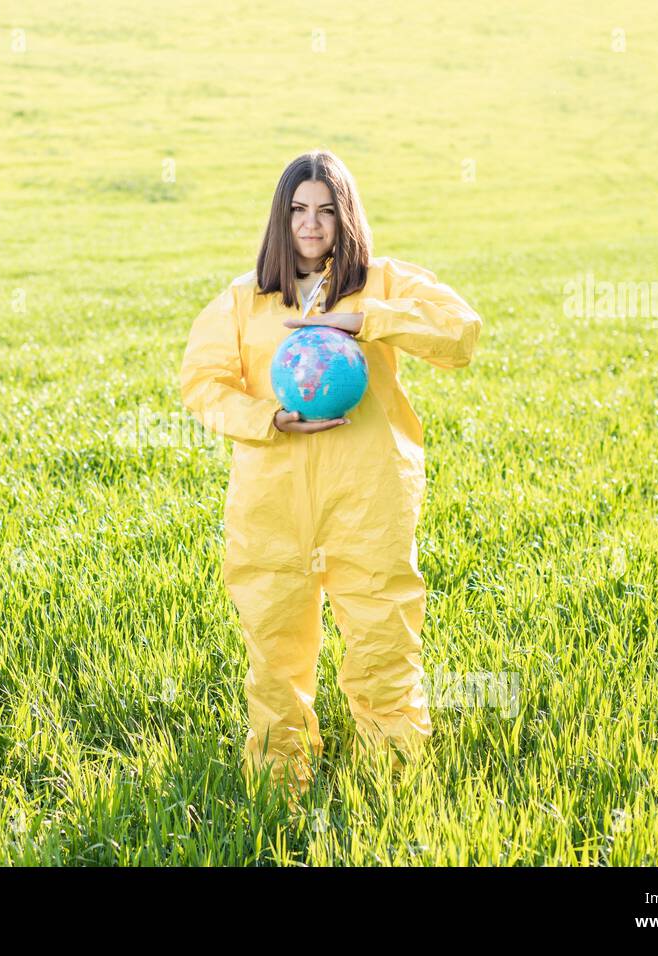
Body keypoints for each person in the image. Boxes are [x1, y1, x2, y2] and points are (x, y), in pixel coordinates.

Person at [179, 149, 483, 803]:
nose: (311, 224)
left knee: (383, 638)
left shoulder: (385, 282)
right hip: (273, 502)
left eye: (325, 210)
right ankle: (278, 781)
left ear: (346, 218)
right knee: (274, 647)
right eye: (298, 210)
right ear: (280, 218)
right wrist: (269, 418)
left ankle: (394, 779)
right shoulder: (244, 298)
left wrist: (365, 321)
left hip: (369, 494)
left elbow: (460, 335)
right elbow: (202, 385)